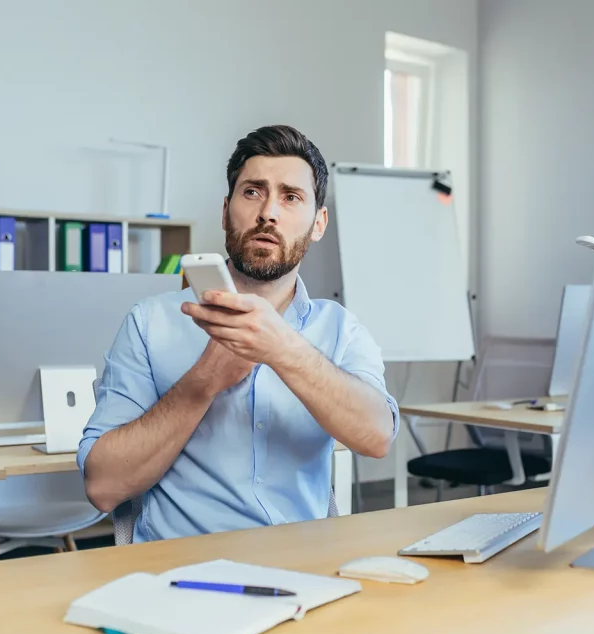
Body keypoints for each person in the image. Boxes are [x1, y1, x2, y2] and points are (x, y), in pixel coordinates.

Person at [77, 124, 399, 541]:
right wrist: (205, 379)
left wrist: (282, 348)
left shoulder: (341, 330)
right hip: (180, 575)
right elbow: (102, 487)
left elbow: (376, 439)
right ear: (226, 210)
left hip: (303, 572)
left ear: (318, 224)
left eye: (291, 197)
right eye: (253, 192)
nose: (269, 211)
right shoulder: (149, 323)